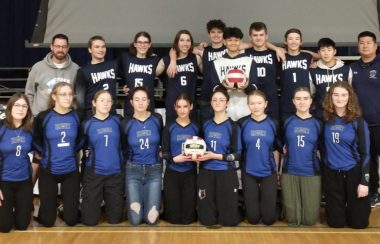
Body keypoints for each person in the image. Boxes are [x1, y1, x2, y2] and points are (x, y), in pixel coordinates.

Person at [322, 81, 370, 228]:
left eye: (343, 95)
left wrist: (364, 182)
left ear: (350, 97)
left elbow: (366, 153)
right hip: (332, 172)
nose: (339, 98)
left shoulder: (358, 122)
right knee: (335, 223)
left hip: (353, 171)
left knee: (359, 224)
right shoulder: (325, 119)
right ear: (330, 97)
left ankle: (357, 210)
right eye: (336, 95)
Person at [33, 82, 80, 227]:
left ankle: (62, 209)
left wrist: (73, 150)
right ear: (54, 96)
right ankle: (46, 210)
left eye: (70, 94)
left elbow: (82, 138)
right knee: (47, 222)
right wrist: (43, 152)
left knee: (72, 220)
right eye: (63, 94)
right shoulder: (43, 117)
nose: (67, 98)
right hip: (49, 171)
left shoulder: (77, 117)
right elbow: (35, 139)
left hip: (70, 171)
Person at [197, 89, 242, 226]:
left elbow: (237, 154)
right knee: (206, 221)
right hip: (207, 172)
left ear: (227, 103)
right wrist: (196, 155)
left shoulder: (233, 126)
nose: (218, 102)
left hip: (226, 172)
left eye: (221, 100)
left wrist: (215, 156)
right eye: (215, 99)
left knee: (228, 221)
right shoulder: (205, 124)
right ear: (210, 103)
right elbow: (198, 146)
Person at [80, 90, 124, 226]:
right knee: (89, 221)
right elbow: (81, 145)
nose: (106, 104)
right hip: (94, 174)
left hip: (115, 173)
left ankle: (109, 207)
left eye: (109, 101)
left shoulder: (118, 121)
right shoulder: (86, 124)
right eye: (102, 100)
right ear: (94, 103)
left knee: (115, 220)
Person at [121, 86, 163, 225]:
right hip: (133, 170)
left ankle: (154, 204)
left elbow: (163, 141)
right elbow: (122, 147)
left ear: (148, 102)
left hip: (154, 170)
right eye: (137, 99)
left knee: (151, 220)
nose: (140, 103)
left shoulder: (157, 119)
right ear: (131, 102)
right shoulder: (126, 123)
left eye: (144, 99)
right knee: (135, 220)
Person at [238, 90, 280, 225]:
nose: (256, 106)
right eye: (252, 103)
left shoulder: (274, 123)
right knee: (253, 219)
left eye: (259, 103)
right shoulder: (242, 123)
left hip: (268, 172)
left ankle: (276, 207)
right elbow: (239, 149)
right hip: (249, 172)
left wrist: (277, 172)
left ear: (265, 104)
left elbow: (277, 149)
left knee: (268, 220)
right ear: (247, 105)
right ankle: (248, 208)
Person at [281, 87, 322, 226]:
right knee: (292, 220)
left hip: (311, 171)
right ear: (293, 101)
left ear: (311, 101)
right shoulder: (286, 121)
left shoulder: (318, 123)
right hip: (290, 170)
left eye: (305, 98)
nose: (302, 102)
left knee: (309, 220)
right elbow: (278, 142)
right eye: (298, 99)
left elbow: (323, 147)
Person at [350, 31, 380, 208]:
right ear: (358, 46)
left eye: (369, 42)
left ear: (375, 46)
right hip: (361, 123)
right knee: (370, 159)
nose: (365, 45)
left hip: (379, 122)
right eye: (362, 42)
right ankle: (374, 192)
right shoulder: (352, 68)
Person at [162, 93, 199, 224]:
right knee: (174, 218)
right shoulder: (169, 127)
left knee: (188, 219)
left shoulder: (196, 127)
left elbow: (203, 149)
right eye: (179, 107)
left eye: (185, 106)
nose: (182, 110)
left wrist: (198, 157)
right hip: (172, 172)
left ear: (191, 107)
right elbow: (164, 152)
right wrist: (173, 159)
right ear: (175, 108)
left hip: (190, 173)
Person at [0, 93, 34, 233]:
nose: (21, 109)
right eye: (17, 105)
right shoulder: (1, 128)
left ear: (28, 110)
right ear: (10, 107)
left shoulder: (30, 129)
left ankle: (19, 207)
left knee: (22, 226)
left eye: (24, 106)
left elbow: (41, 148)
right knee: (4, 228)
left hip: (24, 181)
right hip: (4, 181)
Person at [210, 27, 258, 121]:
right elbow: (215, 88)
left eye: (236, 40)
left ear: (240, 41)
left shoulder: (249, 61)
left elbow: (254, 87)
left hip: (246, 109)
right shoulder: (217, 63)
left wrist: (245, 87)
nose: (233, 43)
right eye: (230, 40)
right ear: (224, 42)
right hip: (224, 111)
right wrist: (225, 87)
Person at [25, 34, 79, 116]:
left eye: (64, 46)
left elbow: (78, 95)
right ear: (51, 47)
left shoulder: (75, 69)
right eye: (57, 46)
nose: (60, 49)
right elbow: (29, 93)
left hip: (67, 117)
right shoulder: (38, 67)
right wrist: (33, 113)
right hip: (41, 118)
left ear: (68, 48)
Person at [118, 31, 166, 117]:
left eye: (145, 42)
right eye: (139, 42)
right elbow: (119, 72)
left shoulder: (154, 59)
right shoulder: (126, 57)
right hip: (130, 105)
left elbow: (166, 64)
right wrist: (123, 85)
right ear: (135, 44)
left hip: (148, 106)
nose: (142, 45)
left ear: (149, 44)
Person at [161, 30, 202, 124]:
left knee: (192, 136)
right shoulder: (166, 60)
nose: (185, 43)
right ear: (176, 42)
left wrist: (200, 51)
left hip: (190, 106)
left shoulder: (196, 58)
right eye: (182, 40)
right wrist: (172, 60)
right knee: (172, 134)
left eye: (188, 40)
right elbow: (149, 75)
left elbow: (208, 72)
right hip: (173, 106)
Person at [75, 35, 119, 120]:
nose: (101, 50)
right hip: (92, 116)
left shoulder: (114, 65)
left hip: (111, 114)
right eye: (97, 47)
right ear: (90, 49)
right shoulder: (83, 71)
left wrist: (125, 86)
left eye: (103, 47)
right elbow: (80, 100)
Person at [309, 37, 352, 119]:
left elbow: (351, 92)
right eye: (323, 50)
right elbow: (311, 94)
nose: (326, 53)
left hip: (342, 115)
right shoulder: (313, 71)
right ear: (318, 52)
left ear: (334, 51)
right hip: (320, 114)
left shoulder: (346, 69)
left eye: (329, 50)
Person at [245, 22, 280, 119]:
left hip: (271, 98)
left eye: (261, 35)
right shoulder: (244, 53)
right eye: (255, 35)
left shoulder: (275, 53)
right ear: (250, 37)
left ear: (266, 36)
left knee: (273, 129)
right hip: (251, 100)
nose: (258, 38)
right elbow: (233, 45)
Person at [279, 28, 312, 122]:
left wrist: (335, 59)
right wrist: (276, 49)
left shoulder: (307, 56)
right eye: (290, 39)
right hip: (286, 102)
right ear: (285, 41)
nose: (294, 42)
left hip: (304, 102)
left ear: (301, 42)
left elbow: (320, 56)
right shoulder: (280, 56)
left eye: (297, 39)